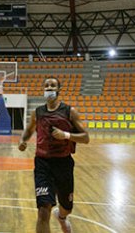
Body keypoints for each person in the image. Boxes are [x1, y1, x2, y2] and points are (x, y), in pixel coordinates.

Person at [18, 77, 89, 233]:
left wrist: (66, 135)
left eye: (52, 85)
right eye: (46, 85)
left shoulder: (69, 112)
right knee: (43, 210)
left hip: (63, 163)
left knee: (66, 208)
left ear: (58, 89)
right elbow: (29, 130)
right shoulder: (37, 112)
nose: (49, 88)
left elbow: (85, 137)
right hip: (42, 163)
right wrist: (23, 140)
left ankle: (62, 217)